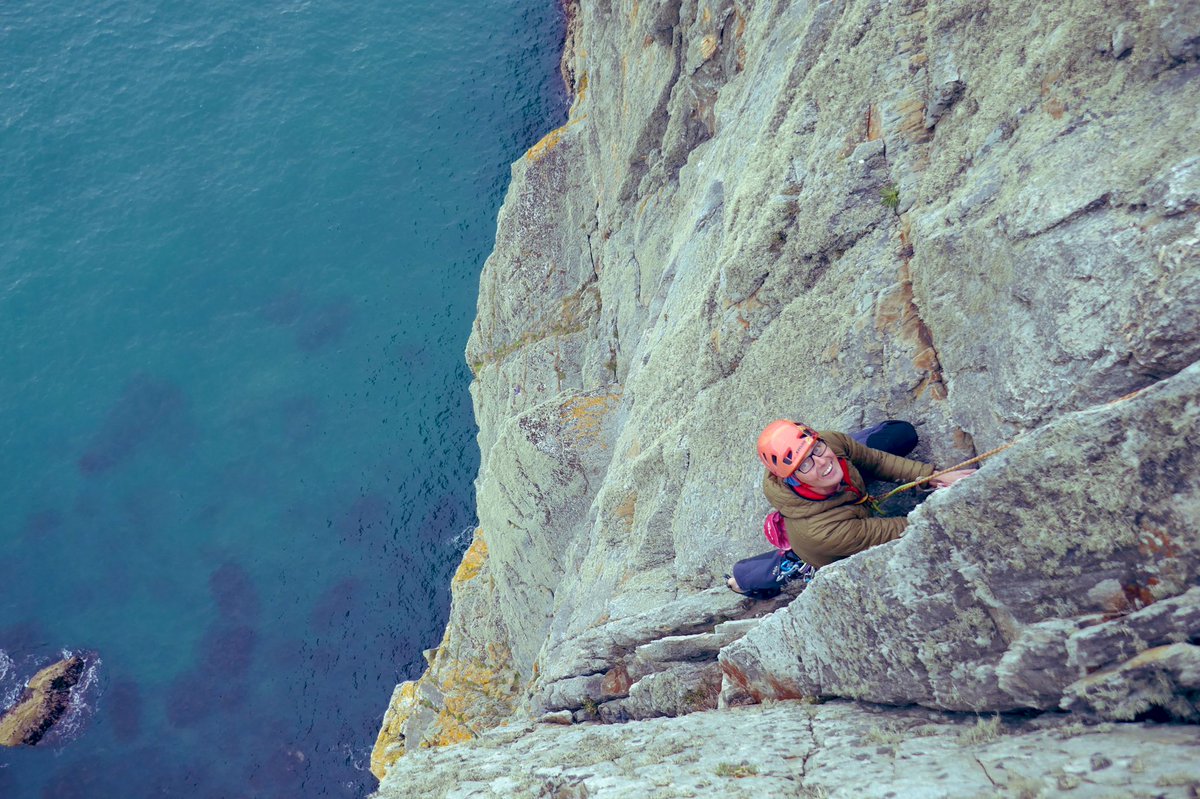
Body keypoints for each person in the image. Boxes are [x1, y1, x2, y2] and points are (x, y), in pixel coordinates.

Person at [727, 419, 973, 595]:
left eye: (816, 448)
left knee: (899, 433)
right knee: (785, 563)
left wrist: (935, 475)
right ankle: (747, 577)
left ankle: (845, 457)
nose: (821, 461)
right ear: (792, 479)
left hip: (839, 493)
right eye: (804, 465)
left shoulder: (830, 444)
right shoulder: (821, 532)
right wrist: (947, 508)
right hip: (825, 534)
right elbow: (899, 528)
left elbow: (875, 460)